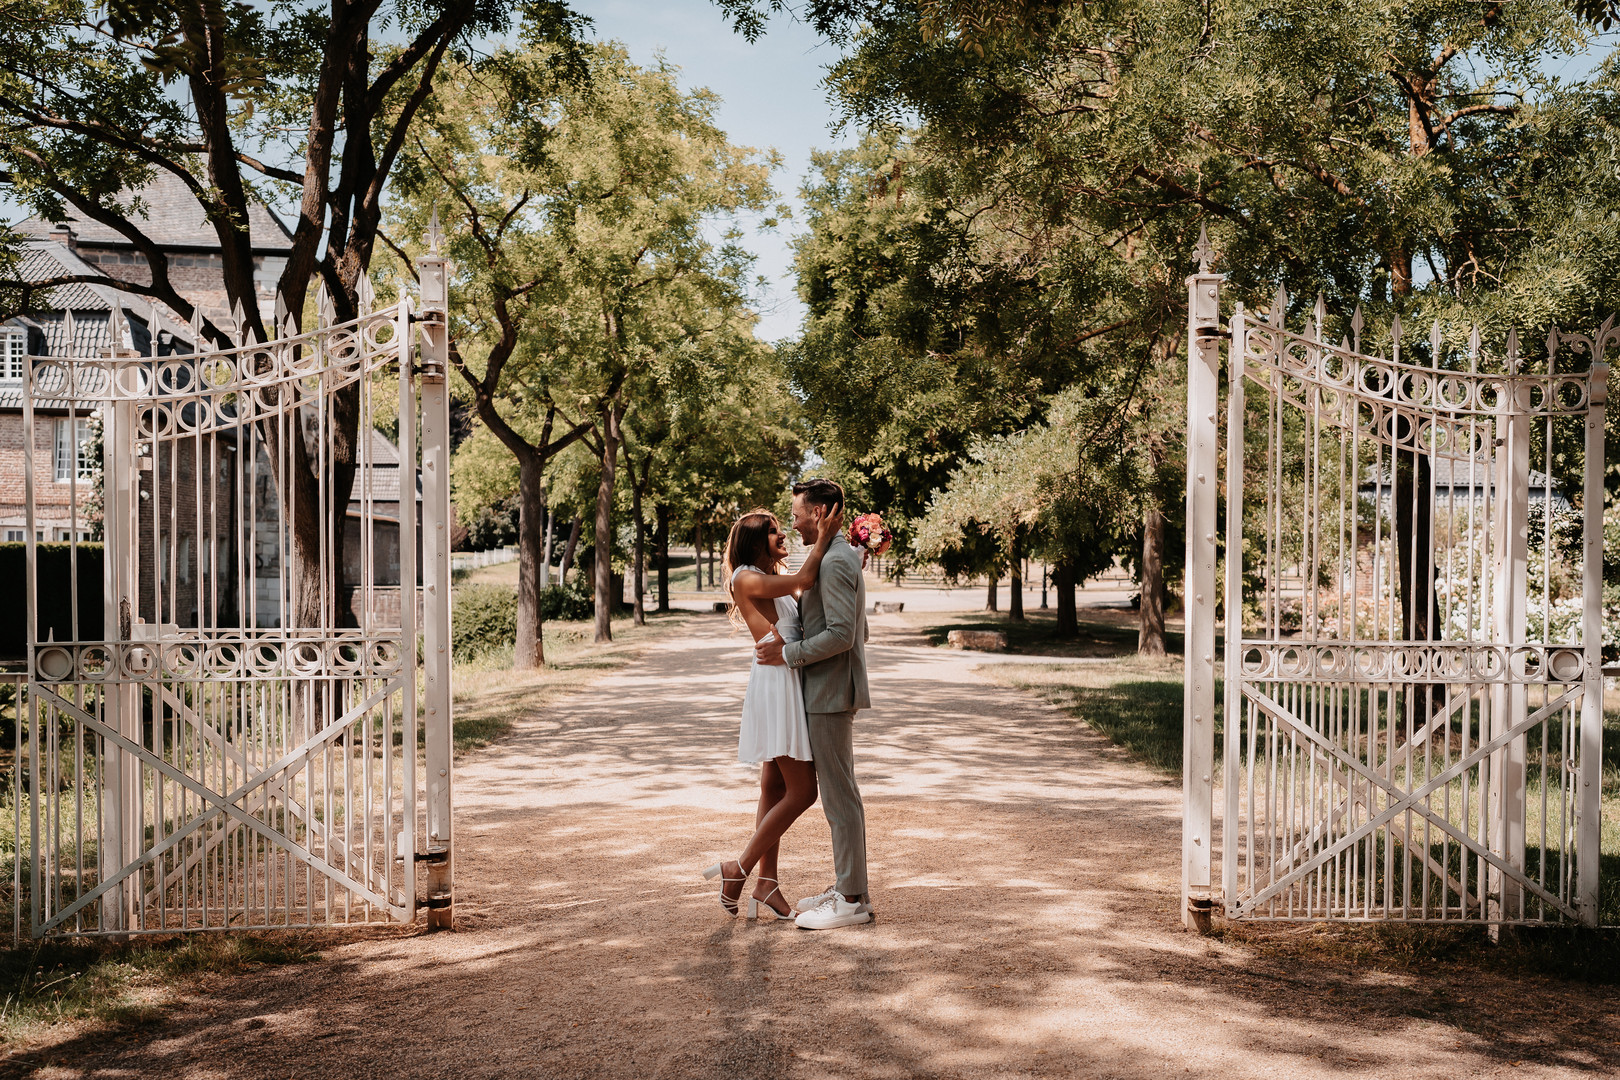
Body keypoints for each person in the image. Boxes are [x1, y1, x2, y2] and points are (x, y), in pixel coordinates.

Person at [701, 504, 842, 919]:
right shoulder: (746, 577)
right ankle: (738, 868)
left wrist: (851, 553)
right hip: (777, 686)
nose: (782, 536)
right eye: (773, 532)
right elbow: (806, 578)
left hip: (786, 680)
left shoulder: (770, 580)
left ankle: (767, 883)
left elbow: (808, 594)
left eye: (783, 529)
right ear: (753, 541)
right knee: (804, 792)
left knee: (773, 788)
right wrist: (826, 536)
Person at [755, 478, 873, 930]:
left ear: (820, 512)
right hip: (820, 690)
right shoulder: (829, 556)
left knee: (840, 798)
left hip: (828, 694)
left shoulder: (837, 560)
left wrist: (788, 654)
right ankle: (849, 887)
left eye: (798, 514)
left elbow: (844, 634)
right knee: (839, 796)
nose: (794, 521)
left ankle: (851, 900)